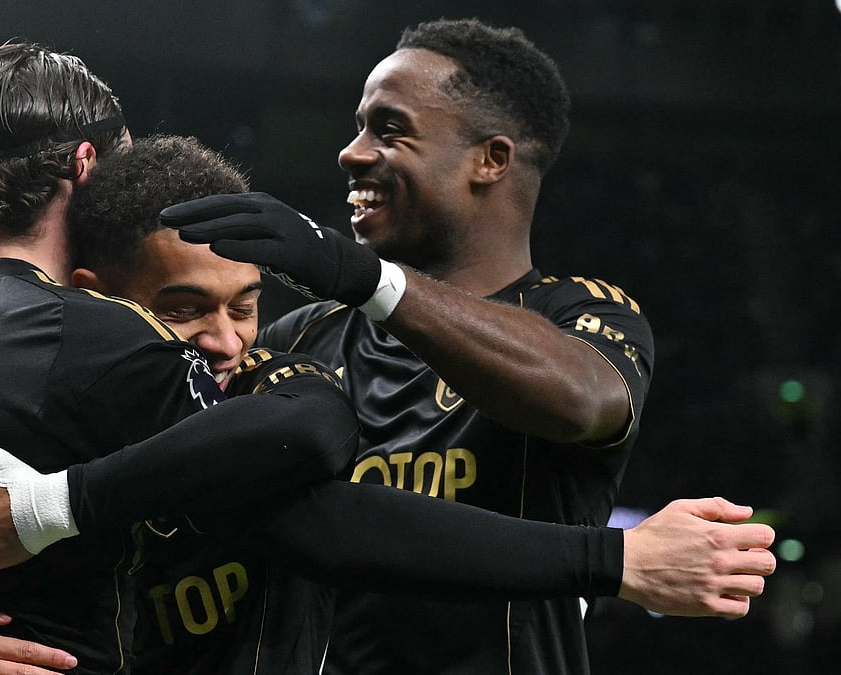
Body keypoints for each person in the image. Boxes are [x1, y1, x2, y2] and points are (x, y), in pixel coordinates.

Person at [0, 134, 773, 675]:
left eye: (246, 306)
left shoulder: (274, 385)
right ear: (94, 308)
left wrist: (617, 561)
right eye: (183, 311)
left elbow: (336, 507)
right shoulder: (25, 437)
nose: (224, 339)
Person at [158, 16, 670, 674]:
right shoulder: (302, 337)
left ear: (490, 160)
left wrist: (367, 278)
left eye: (389, 129)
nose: (352, 151)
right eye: (360, 124)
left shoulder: (582, 312)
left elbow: (581, 399)